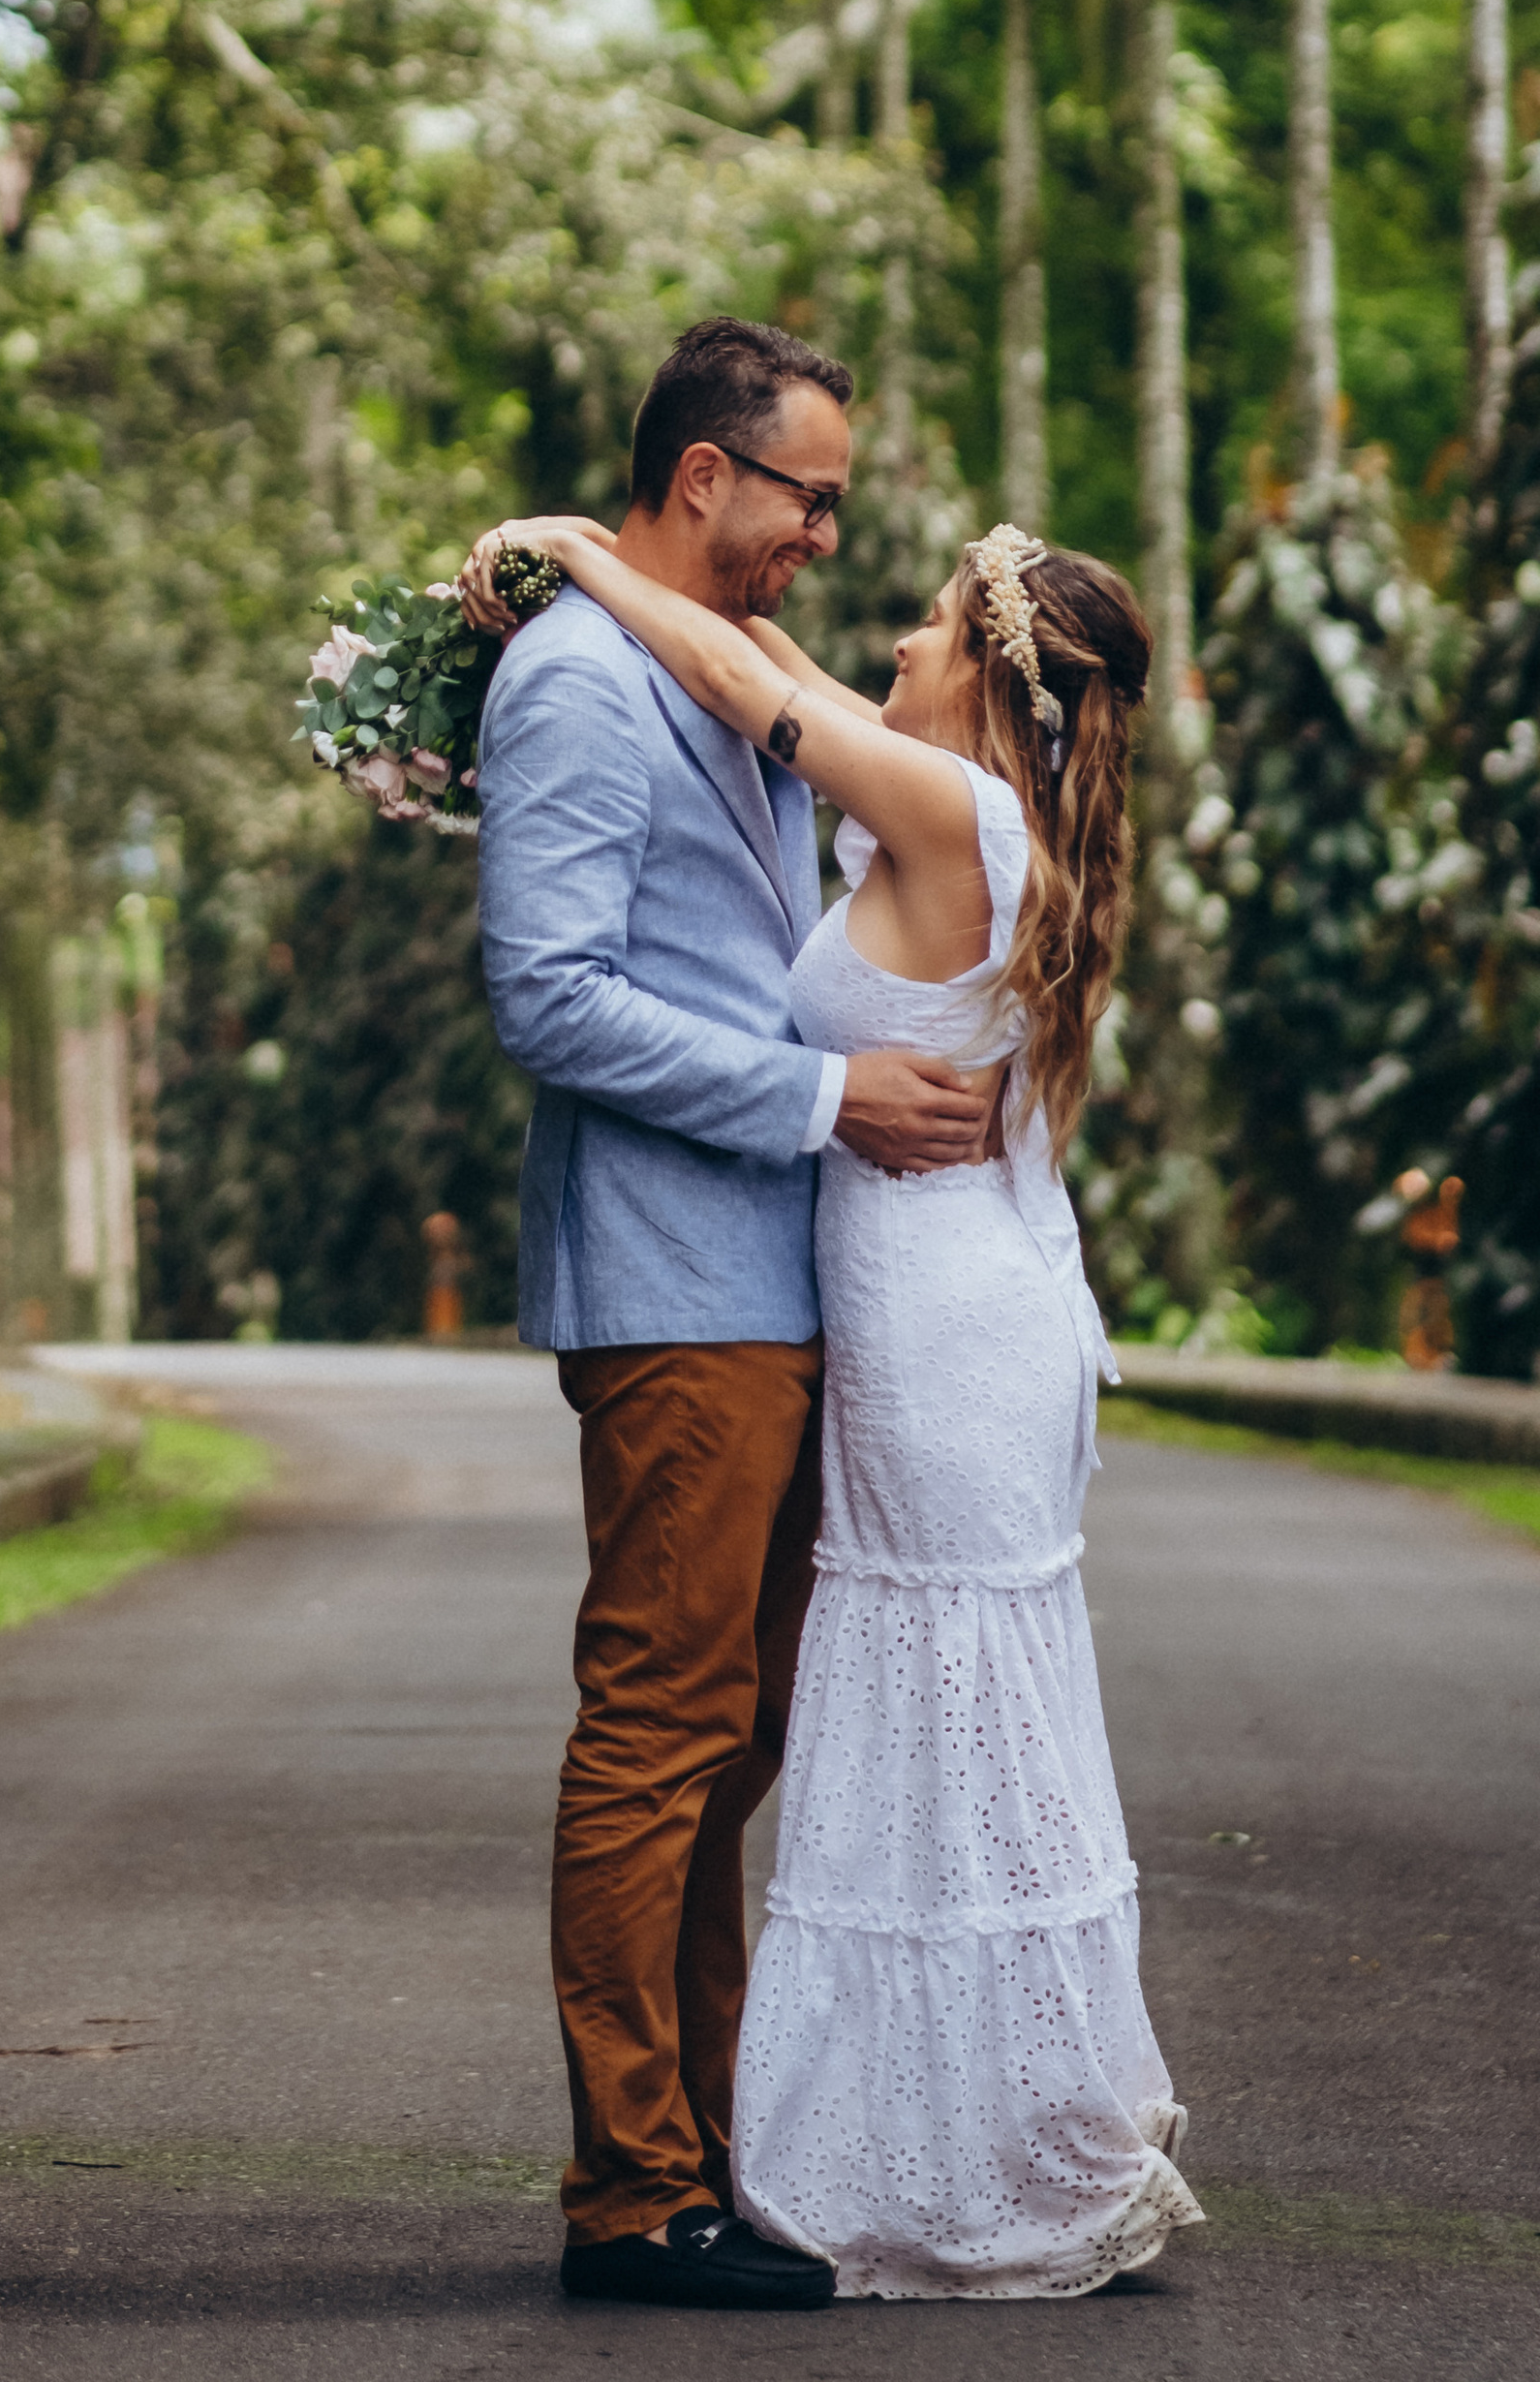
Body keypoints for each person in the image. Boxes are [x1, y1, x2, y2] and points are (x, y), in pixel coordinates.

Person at [473, 483, 1204, 2300]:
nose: (894, 637)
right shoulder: (977, 792)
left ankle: (974, 2152)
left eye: (939, 627)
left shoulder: (948, 804)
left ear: (1000, 686)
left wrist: (580, 559)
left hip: (942, 1327)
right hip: (928, 1301)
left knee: (937, 1721)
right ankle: (945, 2124)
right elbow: (776, 666)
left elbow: (743, 674)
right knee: (895, 1719)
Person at [468, 319, 997, 2314]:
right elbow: (549, 995)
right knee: (661, 1724)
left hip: (781, 1279)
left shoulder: (708, 668)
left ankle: (702, 2149)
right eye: (809, 495)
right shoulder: (586, 691)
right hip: (674, 1281)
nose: (824, 536)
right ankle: (632, 2192)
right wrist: (820, 1095)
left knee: (738, 1728)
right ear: (705, 476)